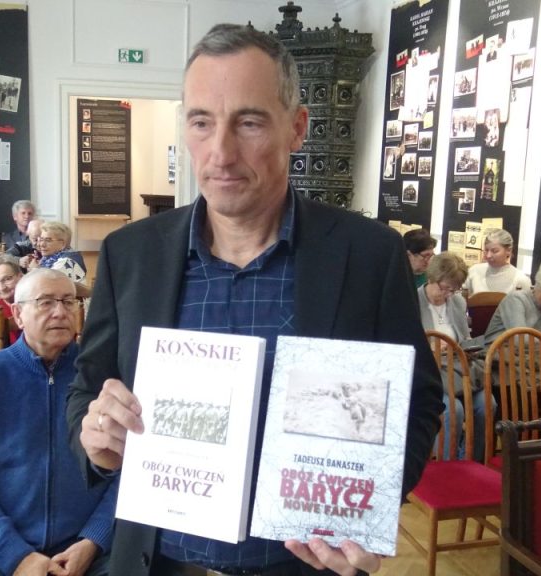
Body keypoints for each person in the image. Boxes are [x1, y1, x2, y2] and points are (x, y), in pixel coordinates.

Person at [66, 24, 443, 576]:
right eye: (201, 122)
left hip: (306, 566)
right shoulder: (131, 254)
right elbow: (87, 388)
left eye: (248, 122)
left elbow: (419, 401)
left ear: (297, 128)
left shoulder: (367, 254)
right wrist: (96, 439)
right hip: (157, 564)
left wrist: (371, 507)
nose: (220, 153)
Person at [0, 269, 116, 576]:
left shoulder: (100, 377)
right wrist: (17, 556)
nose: (60, 312)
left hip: (90, 547)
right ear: (18, 314)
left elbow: (127, 473)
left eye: (68, 301)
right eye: (46, 302)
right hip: (3, 547)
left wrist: (93, 540)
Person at [417, 253, 489, 462]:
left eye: (453, 289)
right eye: (444, 288)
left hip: (456, 371)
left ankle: (473, 461)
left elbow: (464, 338)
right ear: (432, 277)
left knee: (487, 404)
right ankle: (448, 466)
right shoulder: (413, 300)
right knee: (453, 409)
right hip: (429, 374)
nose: (448, 294)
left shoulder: (457, 302)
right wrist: (430, 347)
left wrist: (466, 346)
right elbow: (404, 343)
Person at [483, 257, 541, 346]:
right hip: (490, 354)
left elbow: (537, 346)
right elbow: (520, 340)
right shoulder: (516, 299)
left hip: (519, 356)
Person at [462, 229, 531, 296]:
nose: (488, 255)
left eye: (494, 251)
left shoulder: (521, 279)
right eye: (486, 250)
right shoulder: (474, 271)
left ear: (508, 251)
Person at [22, 221, 87, 284]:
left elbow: (47, 285)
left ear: (62, 244)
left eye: (48, 240)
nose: (42, 244)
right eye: (41, 239)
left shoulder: (66, 262)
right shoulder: (48, 258)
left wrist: (35, 270)